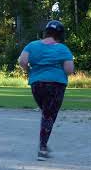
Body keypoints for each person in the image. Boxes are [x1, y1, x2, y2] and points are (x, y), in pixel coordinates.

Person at [18, 20, 74, 161]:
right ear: (60, 34)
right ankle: (42, 148)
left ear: (46, 32)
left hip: (37, 84)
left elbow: (22, 61)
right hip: (56, 84)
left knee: (46, 113)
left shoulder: (32, 45)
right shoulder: (63, 49)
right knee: (49, 116)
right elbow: (69, 70)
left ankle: (44, 144)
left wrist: (30, 71)